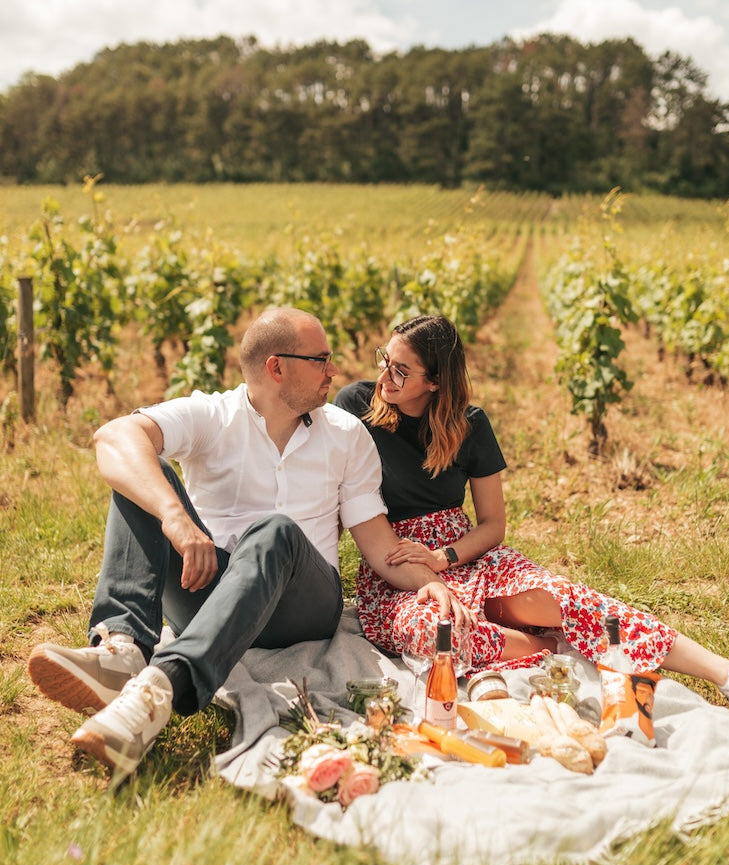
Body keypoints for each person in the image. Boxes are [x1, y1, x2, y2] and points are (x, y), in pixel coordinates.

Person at [27, 307, 465, 778]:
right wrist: (174, 517)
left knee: (274, 530)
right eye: (321, 359)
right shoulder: (213, 415)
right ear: (277, 367)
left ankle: (159, 688)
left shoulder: (345, 435)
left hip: (301, 607)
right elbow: (114, 436)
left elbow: (378, 544)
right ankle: (123, 650)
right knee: (141, 480)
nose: (334, 371)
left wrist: (429, 581)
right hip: (208, 587)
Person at [334, 313, 729, 725]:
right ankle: (551, 649)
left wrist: (444, 555)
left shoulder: (468, 424)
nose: (384, 376)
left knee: (569, 599)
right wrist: (423, 566)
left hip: (461, 552)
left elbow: (493, 524)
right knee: (440, 633)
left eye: (400, 369)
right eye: (385, 359)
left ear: (435, 382)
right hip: (398, 562)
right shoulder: (356, 405)